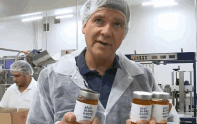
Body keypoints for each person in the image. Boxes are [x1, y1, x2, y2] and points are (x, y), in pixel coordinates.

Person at [26, 0, 179, 123]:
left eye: (117, 24)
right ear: (84, 25)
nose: (106, 32)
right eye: (99, 20)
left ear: (124, 33)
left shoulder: (142, 77)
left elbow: (171, 119)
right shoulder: (52, 76)